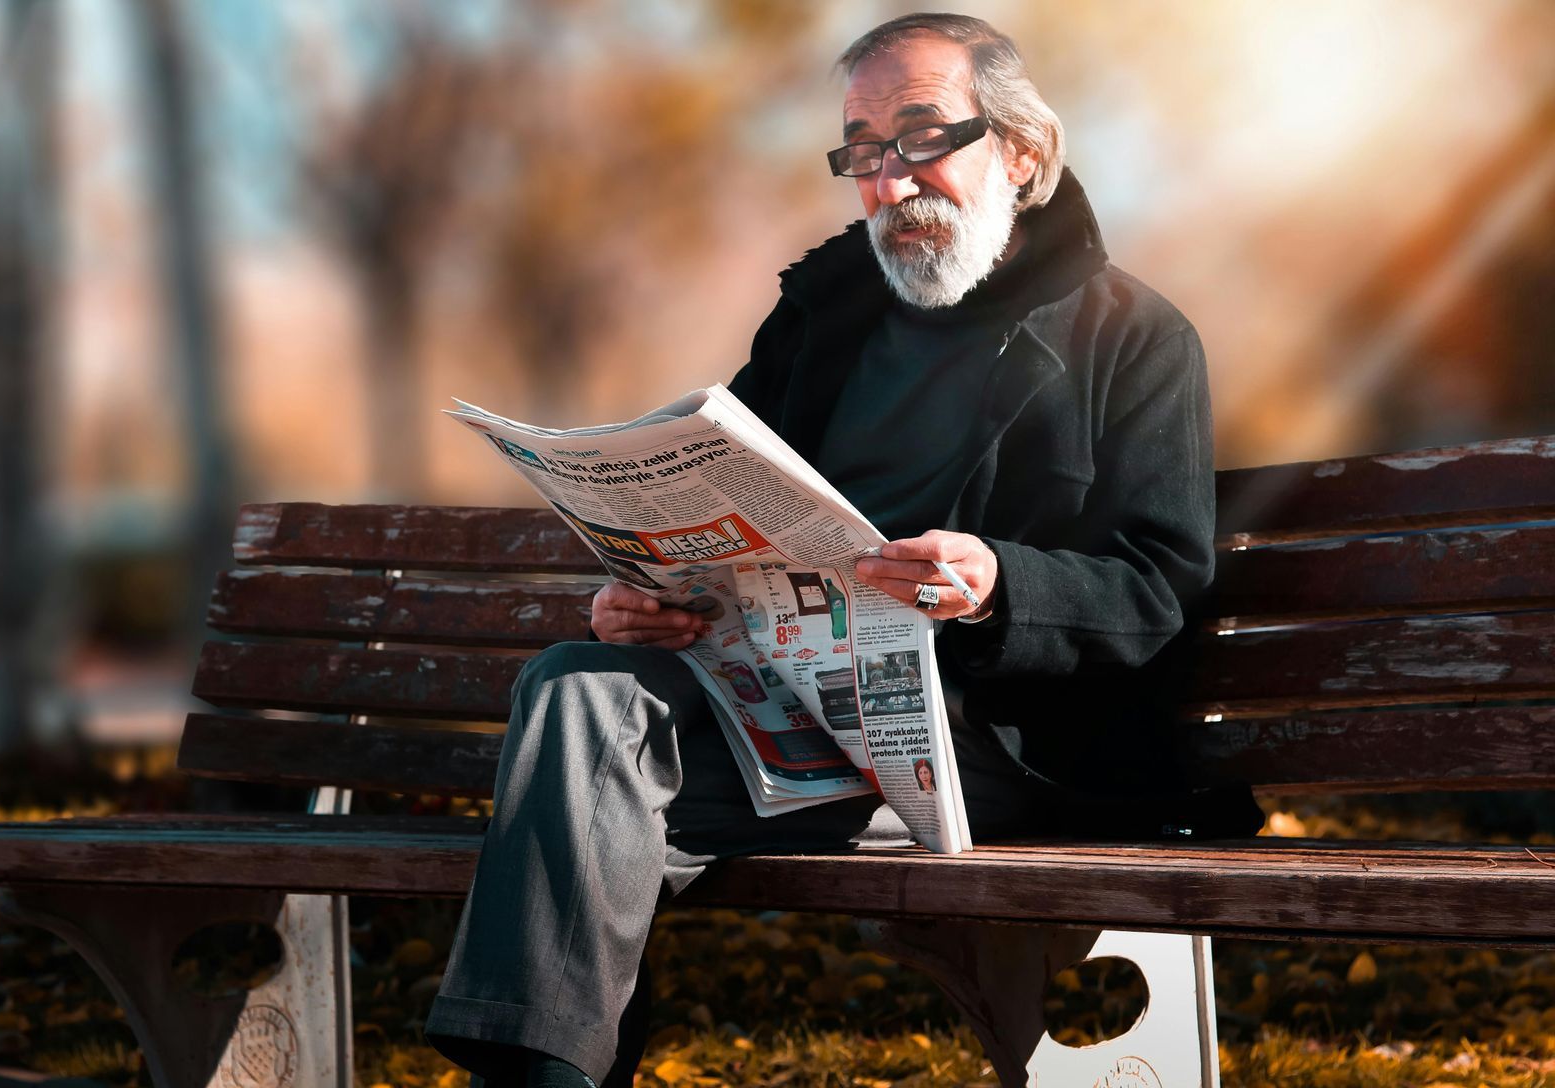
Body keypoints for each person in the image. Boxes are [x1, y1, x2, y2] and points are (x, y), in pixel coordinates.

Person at [425, 13, 1262, 1088]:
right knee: (579, 687)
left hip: (996, 743)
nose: (888, 178)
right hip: (792, 718)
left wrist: (1000, 582)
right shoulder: (818, 324)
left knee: (597, 791)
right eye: (861, 151)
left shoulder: (1133, 337)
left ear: (1021, 150)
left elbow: (1157, 591)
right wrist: (647, 594)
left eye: (920, 137)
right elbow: (715, 491)